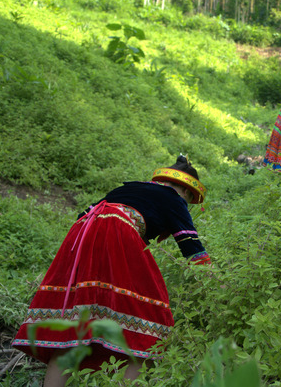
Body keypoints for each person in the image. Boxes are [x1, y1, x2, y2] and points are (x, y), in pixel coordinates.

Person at [11, 155, 210, 386]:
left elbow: (84, 214)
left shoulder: (130, 189)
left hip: (81, 233)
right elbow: (193, 249)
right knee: (151, 324)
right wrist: (216, 281)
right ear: (185, 191)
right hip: (118, 229)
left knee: (75, 322)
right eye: (189, 198)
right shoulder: (173, 199)